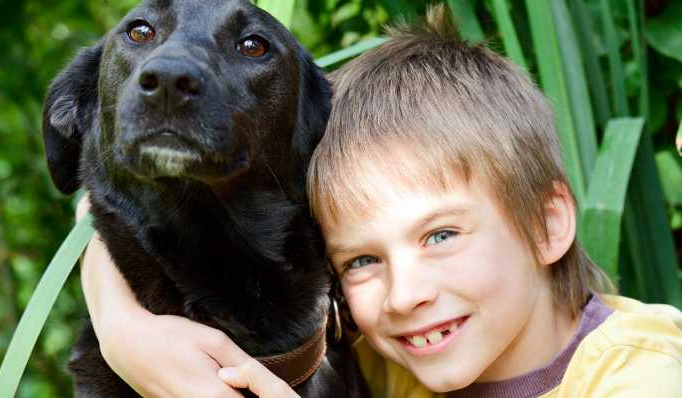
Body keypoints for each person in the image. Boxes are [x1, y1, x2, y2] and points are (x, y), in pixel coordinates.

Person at [77, 5, 682, 397]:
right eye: (361, 261)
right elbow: (104, 209)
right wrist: (124, 330)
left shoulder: (645, 376)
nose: (404, 293)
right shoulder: (402, 350)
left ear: (548, 223)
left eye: (441, 236)